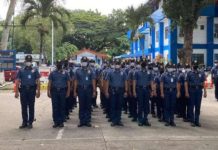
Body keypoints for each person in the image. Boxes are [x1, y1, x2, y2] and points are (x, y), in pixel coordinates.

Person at [15, 55, 40, 129]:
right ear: (25, 61)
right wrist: (16, 92)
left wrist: (38, 91)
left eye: (30, 61)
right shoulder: (21, 70)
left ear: (31, 61)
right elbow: (17, 81)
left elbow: (38, 81)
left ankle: (30, 122)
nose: (28, 62)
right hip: (23, 90)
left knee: (31, 106)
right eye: (27, 61)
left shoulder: (35, 70)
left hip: (32, 90)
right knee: (24, 106)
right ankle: (24, 122)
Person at [74, 57, 97, 127]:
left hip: (88, 89)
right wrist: (75, 91)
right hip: (81, 89)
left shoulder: (91, 70)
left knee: (88, 105)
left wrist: (94, 90)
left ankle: (87, 121)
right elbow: (76, 81)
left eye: (85, 61)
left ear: (87, 62)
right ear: (81, 62)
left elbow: (93, 81)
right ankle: (81, 121)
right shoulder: (77, 71)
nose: (84, 63)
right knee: (81, 105)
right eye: (83, 61)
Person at [47, 60, 71, 128]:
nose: (59, 65)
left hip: (62, 91)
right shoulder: (52, 73)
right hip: (54, 91)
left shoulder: (65, 73)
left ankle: (61, 121)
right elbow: (50, 83)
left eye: (60, 64)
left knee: (62, 106)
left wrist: (68, 91)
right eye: (58, 64)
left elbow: (68, 83)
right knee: (55, 107)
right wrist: (48, 91)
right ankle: (56, 121)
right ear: (56, 64)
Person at [105, 59, 128, 126]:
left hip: (121, 91)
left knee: (119, 105)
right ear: (114, 65)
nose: (117, 65)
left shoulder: (123, 73)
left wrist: (126, 91)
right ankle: (114, 120)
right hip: (113, 91)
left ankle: (119, 119)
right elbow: (107, 82)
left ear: (120, 65)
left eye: (118, 64)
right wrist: (106, 91)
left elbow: (125, 82)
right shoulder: (110, 72)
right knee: (113, 105)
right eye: (116, 64)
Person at [133, 60, 155, 126]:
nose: (144, 65)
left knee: (146, 105)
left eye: (145, 64)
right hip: (140, 89)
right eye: (143, 64)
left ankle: (145, 119)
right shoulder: (137, 72)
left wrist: (152, 91)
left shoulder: (149, 72)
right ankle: (140, 120)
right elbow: (134, 81)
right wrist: (134, 91)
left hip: (147, 90)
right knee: (140, 105)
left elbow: (151, 82)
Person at [185, 61, 207, 127]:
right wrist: (186, 92)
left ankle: (197, 121)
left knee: (198, 106)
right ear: (192, 65)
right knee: (191, 106)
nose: (195, 66)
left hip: (199, 91)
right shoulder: (189, 73)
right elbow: (186, 83)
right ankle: (192, 121)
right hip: (192, 90)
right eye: (194, 65)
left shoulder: (201, 73)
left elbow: (203, 82)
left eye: (196, 65)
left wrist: (205, 91)